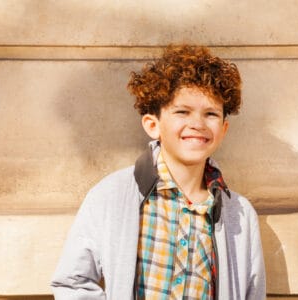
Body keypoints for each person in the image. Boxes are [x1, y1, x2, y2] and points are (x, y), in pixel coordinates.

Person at [51, 45, 266, 299]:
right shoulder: (112, 196)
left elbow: (253, 293)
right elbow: (72, 281)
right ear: (153, 125)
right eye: (182, 112)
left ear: (224, 128)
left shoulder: (239, 214)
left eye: (210, 114)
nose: (197, 124)